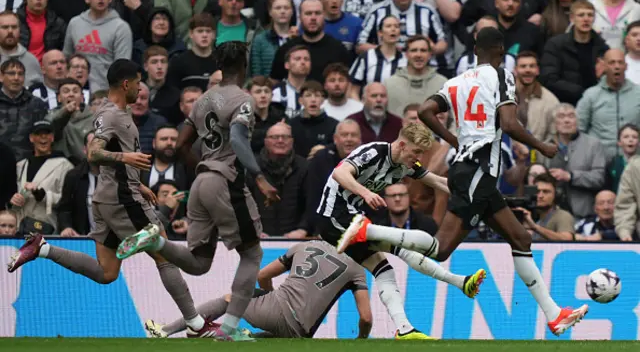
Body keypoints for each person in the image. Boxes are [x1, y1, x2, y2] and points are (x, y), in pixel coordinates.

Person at [7, 59, 217, 338]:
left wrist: (136, 181)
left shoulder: (115, 112)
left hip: (109, 197)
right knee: (163, 254)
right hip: (121, 199)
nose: (142, 89)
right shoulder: (111, 116)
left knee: (107, 273)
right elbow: (93, 153)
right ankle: (195, 324)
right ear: (126, 84)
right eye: (139, 82)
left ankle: (43, 248)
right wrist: (126, 159)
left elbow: (108, 160)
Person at [414, 26, 588, 336]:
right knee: (439, 250)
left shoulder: (456, 82)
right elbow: (509, 123)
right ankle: (372, 233)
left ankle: (554, 314)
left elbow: (425, 110)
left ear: (474, 50)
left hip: (468, 171)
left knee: (521, 239)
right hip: (479, 172)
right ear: (502, 50)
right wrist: (543, 146)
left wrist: (454, 140)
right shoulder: (501, 75)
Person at [116, 42, 280, 341]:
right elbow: (239, 139)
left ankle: (156, 241)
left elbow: (179, 145)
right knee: (252, 253)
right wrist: (259, 178)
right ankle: (228, 330)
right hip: (226, 181)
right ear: (244, 64)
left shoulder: (203, 101)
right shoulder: (244, 100)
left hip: (201, 181)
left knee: (199, 263)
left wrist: (205, 169)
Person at [316, 122, 485, 340]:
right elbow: (340, 173)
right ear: (403, 145)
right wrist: (365, 193)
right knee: (405, 244)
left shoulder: (406, 164)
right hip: (333, 216)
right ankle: (372, 234)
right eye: (416, 151)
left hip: (352, 219)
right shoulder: (374, 152)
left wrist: (471, 194)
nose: (419, 158)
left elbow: (434, 180)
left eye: (422, 153)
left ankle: (405, 328)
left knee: (384, 270)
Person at [145, 240, 372, 339]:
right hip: (301, 332)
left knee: (232, 298)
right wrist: (361, 339)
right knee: (267, 337)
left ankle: (164, 330)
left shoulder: (305, 246)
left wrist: (270, 297)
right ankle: (234, 338)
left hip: (276, 310)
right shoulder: (357, 269)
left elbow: (262, 276)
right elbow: (366, 318)